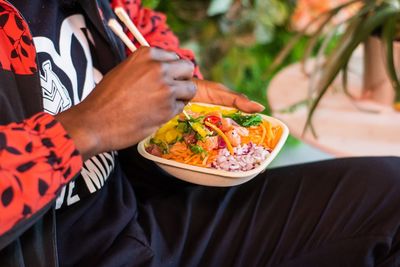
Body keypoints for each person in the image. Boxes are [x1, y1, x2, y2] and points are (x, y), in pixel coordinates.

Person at [0, 0, 399, 266]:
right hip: (66, 252)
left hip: (141, 216)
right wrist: (84, 128)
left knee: (391, 190)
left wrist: (178, 85)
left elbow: (136, 23)